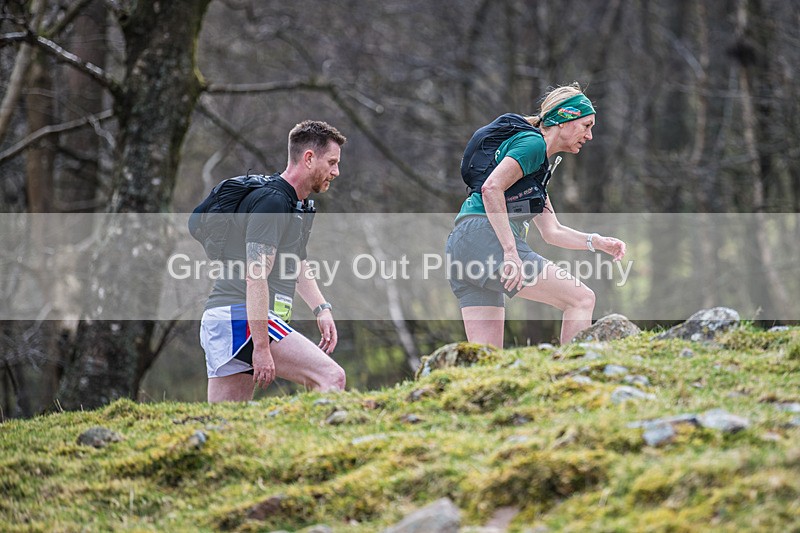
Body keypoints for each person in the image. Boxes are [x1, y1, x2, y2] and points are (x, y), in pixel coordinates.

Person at [446, 83, 626, 346]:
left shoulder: (537, 171)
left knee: (485, 358)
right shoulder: (533, 145)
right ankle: (573, 377)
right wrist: (510, 252)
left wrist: (596, 242)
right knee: (581, 300)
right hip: (485, 237)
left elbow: (553, 231)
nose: (589, 136)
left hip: (461, 244)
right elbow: (491, 188)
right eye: (586, 126)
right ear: (564, 120)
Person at [200, 120, 347, 402]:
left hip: (227, 318)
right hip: (240, 317)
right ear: (308, 158)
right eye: (331, 162)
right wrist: (262, 347)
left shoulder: (295, 205)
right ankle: (317, 445)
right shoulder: (274, 202)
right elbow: (256, 275)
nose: (336, 171)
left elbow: (296, 261)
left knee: (227, 426)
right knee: (331, 377)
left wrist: (321, 308)